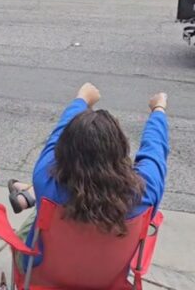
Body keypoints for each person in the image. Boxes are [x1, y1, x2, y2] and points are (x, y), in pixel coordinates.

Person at [9, 83, 169, 272]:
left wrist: (81, 99)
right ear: (120, 150)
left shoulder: (44, 180)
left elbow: (56, 137)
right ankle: (29, 195)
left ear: (65, 150)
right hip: (108, 279)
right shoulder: (145, 192)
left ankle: (29, 195)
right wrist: (158, 110)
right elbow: (155, 150)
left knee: (39, 214)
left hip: (45, 274)